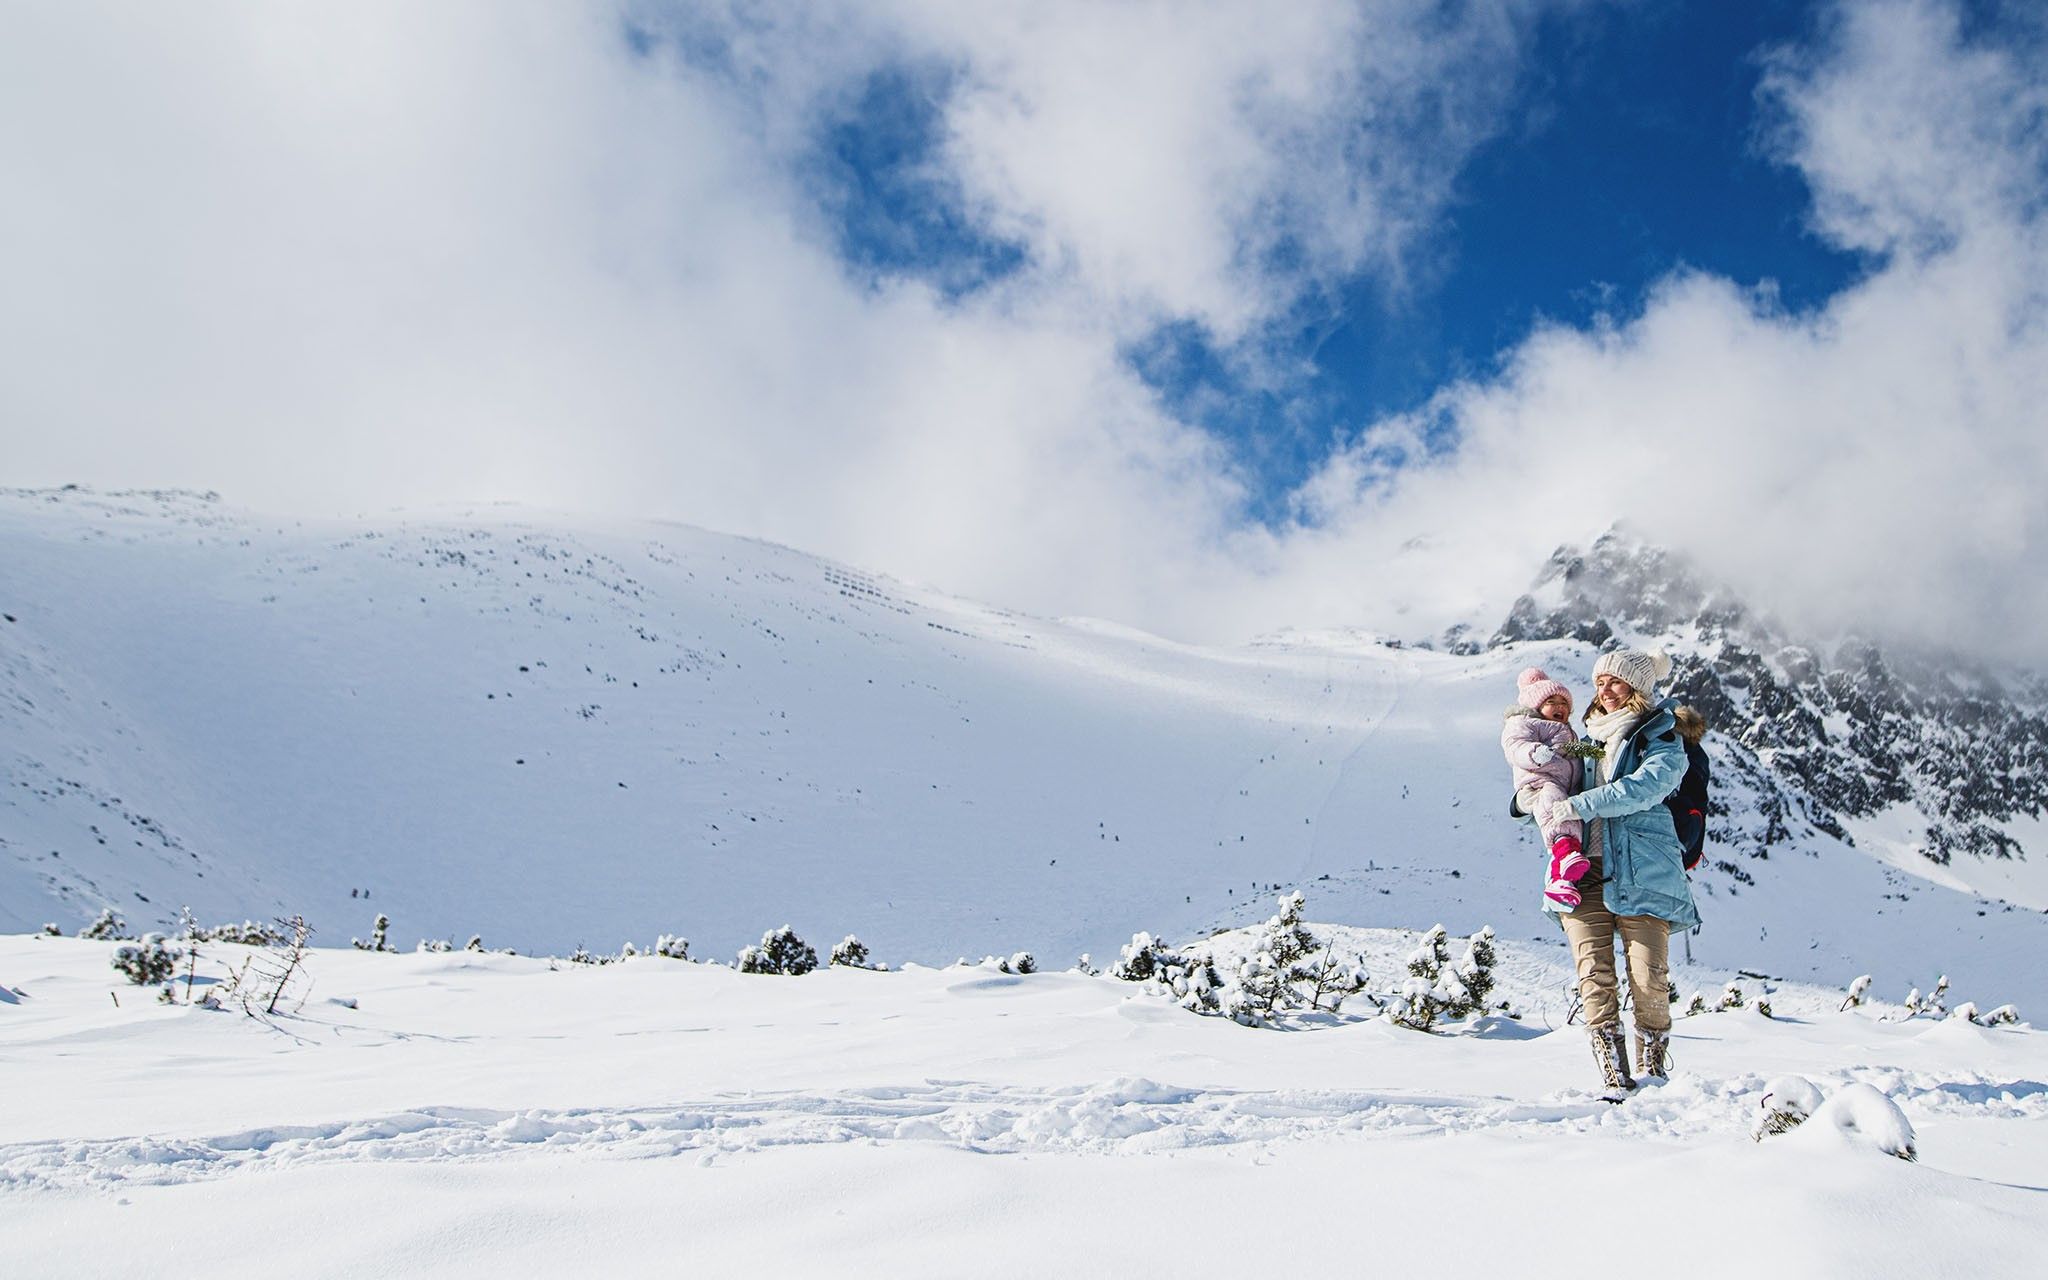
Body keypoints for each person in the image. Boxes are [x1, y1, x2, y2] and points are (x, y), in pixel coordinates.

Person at [1540, 647, 1702, 1097]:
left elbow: (1648, 786)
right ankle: (1615, 1076)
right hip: (1580, 872)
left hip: (1643, 871)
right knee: (1594, 974)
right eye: (1598, 683)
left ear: (1638, 686)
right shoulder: (1586, 737)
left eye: (1614, 681)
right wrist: (1526, 797)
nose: (1605, 692)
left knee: (1650, 976)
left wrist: (1578, 804)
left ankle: (1653, 1072)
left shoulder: (1661, 734)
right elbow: (1548, 772)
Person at [1500, 668, 1589, 907]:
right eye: (1551, 702)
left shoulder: (1567, 732)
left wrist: (1596, 752)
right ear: (1536, 705)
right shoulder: (1524, 723)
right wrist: (1534, 754)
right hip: (1539, 782)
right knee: (1554, 804)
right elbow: (1515, 746)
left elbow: (1577, 752)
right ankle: (1565, 849)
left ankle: (1562, 881)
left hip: (1564, 786)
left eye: (1564, 702)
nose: (1559, 706)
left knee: (1568, 810)